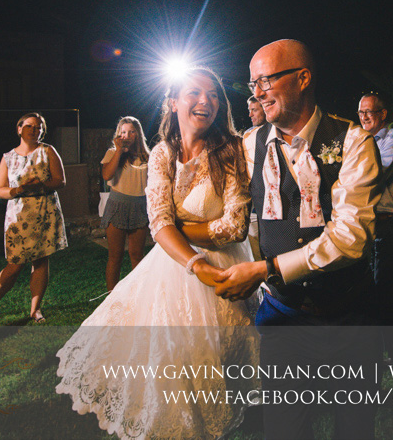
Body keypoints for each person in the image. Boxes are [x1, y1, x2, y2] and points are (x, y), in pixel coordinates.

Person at [56, 67, 260, 440]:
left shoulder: (232, 149)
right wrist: (194, 260)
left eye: (213, 94)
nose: (205, 100)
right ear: (172, 102)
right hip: (174, 271)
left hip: (228, 266)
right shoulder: (163, 153)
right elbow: (156, 222)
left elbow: (234, 226)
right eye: (194, 93)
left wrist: (175, 229)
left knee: (217, 366)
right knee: (169, 366)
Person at [215, 39, 382, 439]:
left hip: (349, 316)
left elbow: (351, 237)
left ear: (302, 78)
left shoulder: (353, 141)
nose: (256, 91)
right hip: (283, 318)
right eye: (253, 83)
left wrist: (267, 269)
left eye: (266, 80)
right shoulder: (251, 143)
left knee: (354, 429)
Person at [0, 113, 66, 325]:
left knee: (41, 261)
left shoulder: (48, 151)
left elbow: (60, 181)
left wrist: (41, 185)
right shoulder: (8, 157)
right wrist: (18, 189)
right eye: (29, 126)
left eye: (38, 127)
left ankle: (35, 309)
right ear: (19, 129)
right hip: (18, 215)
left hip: (44, 211)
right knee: (14, 264)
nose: (34, 130)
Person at [358, 93, 393, 327]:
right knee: (376, 289)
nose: (364, 117)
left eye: (369, 112)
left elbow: (375, 174)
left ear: (383, 114)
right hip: (377, 225)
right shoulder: (364, 141)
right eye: (360, 112)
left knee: (389, 293)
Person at [99, 116, 150, 291]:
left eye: (131, 132)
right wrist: (120, 151)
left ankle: (138, 294)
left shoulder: (147, 157)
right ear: (118, 135)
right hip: (117, 205)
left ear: (138, 134)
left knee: (136, 254)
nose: (127, 135)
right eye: (123, 132)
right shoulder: (112, 153)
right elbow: (107, 176)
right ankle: (111, 296)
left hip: (139, 207)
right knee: (115, 255)